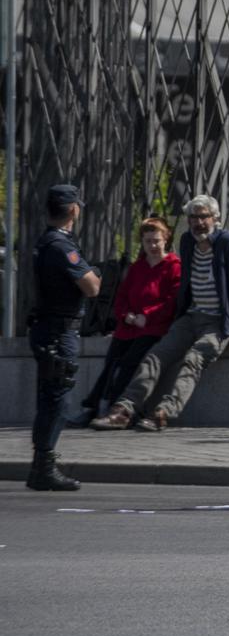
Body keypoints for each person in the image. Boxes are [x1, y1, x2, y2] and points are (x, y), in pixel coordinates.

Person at [92, 195, 229, 432]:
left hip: (217, 321)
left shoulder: (227, 242)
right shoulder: (187, 240)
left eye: (203, 217)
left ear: (215, 218)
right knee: (155, 356)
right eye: (193, 217)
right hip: (190, 317)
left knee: (193, 359)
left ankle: (163, 412)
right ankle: (124, 410)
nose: (198, 223)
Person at [72, 217, 180, 426]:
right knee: (111, 362)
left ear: (166, 239)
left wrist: (146, 316)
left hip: (153, 327)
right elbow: (120, 298)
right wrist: (127, 316)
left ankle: (116, 409)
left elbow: (171, 301)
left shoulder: (173, 266)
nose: (153, 246)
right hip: (129, 327)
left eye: (157, 240)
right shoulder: (137, 268)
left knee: (129, 363)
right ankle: (92, 406)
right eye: (148, 241)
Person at [28, 185, 101, 491]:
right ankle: (43, 467)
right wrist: (96, 273)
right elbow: (91, 287)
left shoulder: (47, 242)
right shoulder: (60, 246)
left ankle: (42, 465)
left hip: (50, 329)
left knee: (51, 396)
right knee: (57, 399)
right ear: (73, 210)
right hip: (59, 331)